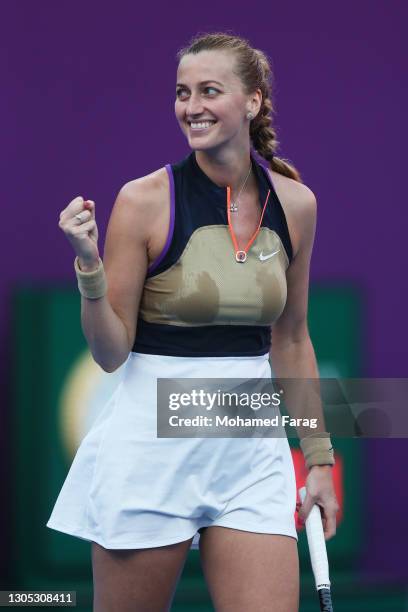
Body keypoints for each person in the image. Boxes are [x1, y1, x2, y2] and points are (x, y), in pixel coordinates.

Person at [48, 31, 339, 612]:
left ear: (252, 101)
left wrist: (320, 458)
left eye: (210, 90)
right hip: (150, 448)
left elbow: (292, 337)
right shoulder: (144, 200)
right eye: (183, 92)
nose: (192, 106)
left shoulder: (296, 205)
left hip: (250, 448)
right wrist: (89, 267)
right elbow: (110, 353)